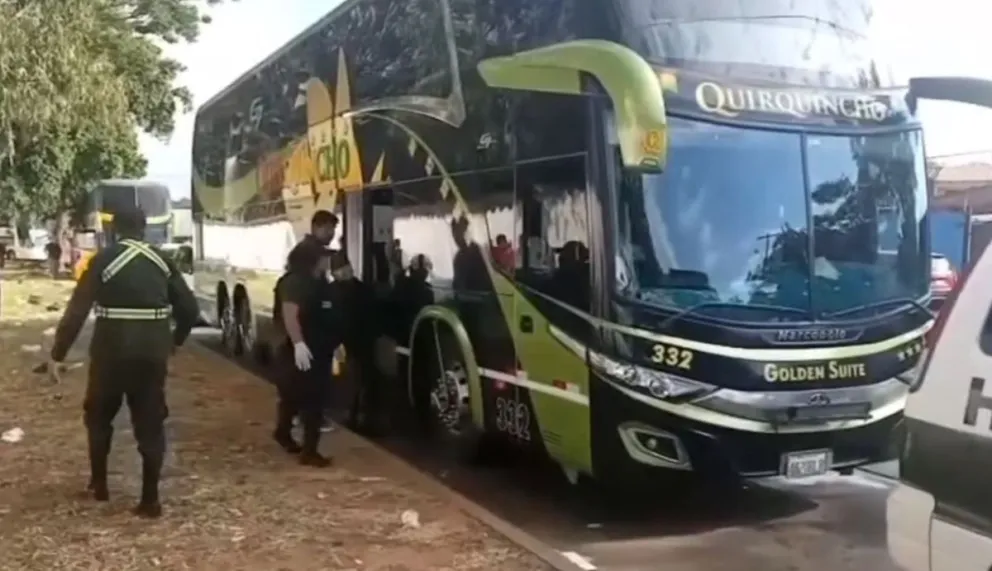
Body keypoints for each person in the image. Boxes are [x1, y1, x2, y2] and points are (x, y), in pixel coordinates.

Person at [48, 205, 199, 519]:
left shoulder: (103, 260)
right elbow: (189, 310)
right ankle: (150, 500)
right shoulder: (162, 261)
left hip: (110, 353)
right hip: (151, 354)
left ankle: (99, 485)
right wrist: (175, 341)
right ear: (144, 228)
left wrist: (58, 354)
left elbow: (77, 310)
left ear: (114, 229)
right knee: (150, 423)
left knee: (99, 416)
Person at [272, 244, 342, 466]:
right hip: (303, 350)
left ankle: (283, 433)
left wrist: (336, 343)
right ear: (312, 259)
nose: (327, 261)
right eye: (323, 257)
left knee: (296, 396)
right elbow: (290, 314)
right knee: (312, 399)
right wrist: (299, 343)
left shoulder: (320, 282)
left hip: (321, 348)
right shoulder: (295, 282)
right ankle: (309, 451)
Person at [326, 251, 386, 436]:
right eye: (341, 269)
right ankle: (353, 415)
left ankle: (363, 417)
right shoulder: (330, 291)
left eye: (347, 267)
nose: (346, 271)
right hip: (345, 342)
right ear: (334, 272)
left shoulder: (363, 289)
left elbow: (374, 314)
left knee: (364, 379)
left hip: (363, 341)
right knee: (352, 380)